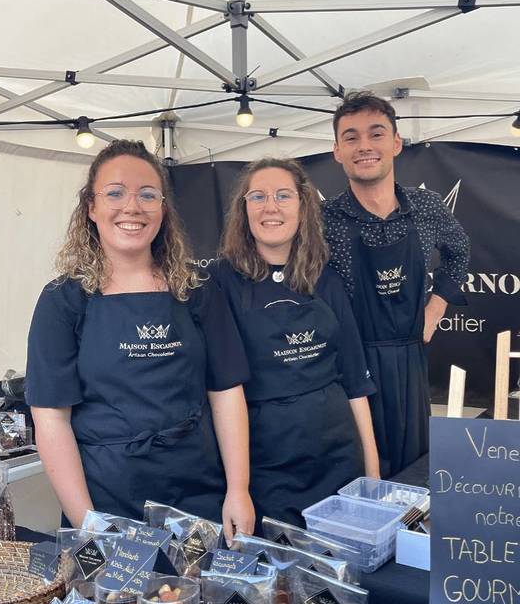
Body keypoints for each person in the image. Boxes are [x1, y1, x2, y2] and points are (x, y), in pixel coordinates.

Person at [24, 140, 255, 539]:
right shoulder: (63, 300)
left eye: (147, 195)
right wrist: (87, 524)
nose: (132, 207)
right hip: (107, 499)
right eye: (115, 193)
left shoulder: (197, 289)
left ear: (163, 210)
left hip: (199, 495)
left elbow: (226, 392)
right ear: (91, 208)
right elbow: (51, 419)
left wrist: (238, 489)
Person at [210, 159, 380, 527]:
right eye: (258, 196)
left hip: (337, 456)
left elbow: (354, 380)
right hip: (266, 465)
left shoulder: (326, 276)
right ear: (244, 209)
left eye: (283, 195)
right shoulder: (220, 282)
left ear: (303, 208)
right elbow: (222, 388)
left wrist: (372, 475)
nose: (271, 206)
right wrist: (237, 488)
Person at [322, 92, 470, 477]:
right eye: (351, 137)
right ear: (337, 150)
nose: (365, 146)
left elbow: (460, 252)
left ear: (396, 143)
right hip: (348, 365)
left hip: (410, 361)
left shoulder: (427, 207)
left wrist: (436, 308)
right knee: (358, 468)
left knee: (413, 469)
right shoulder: (322, 218)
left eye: (376, 134)